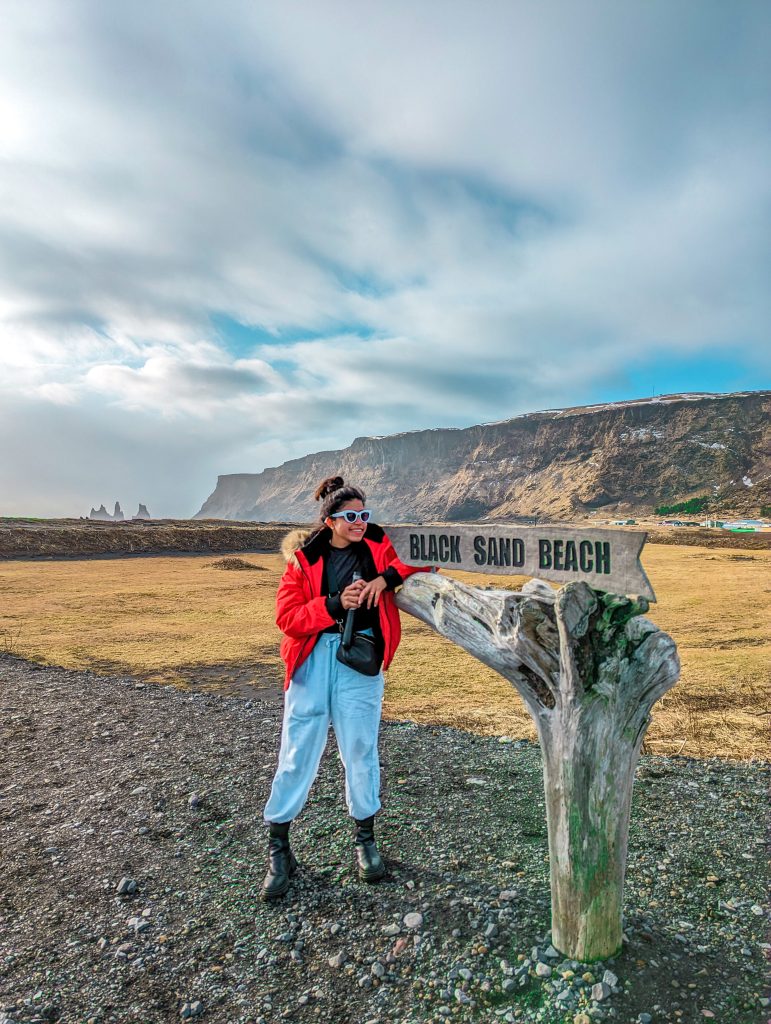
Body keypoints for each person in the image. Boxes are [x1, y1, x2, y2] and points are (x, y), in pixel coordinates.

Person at [261, 475, 425, 900]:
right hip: (312, 660)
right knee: (298, 749)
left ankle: (365, 840)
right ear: (330, 520)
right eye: (351, 516)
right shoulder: (304, 560)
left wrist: (384, 580)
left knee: (360, 746)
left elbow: (423, 558)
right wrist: (335, 604)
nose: (360, 522)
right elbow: (288, 618)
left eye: (364, 515)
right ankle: (279, 848)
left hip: (360, 658)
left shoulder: (377, 544)